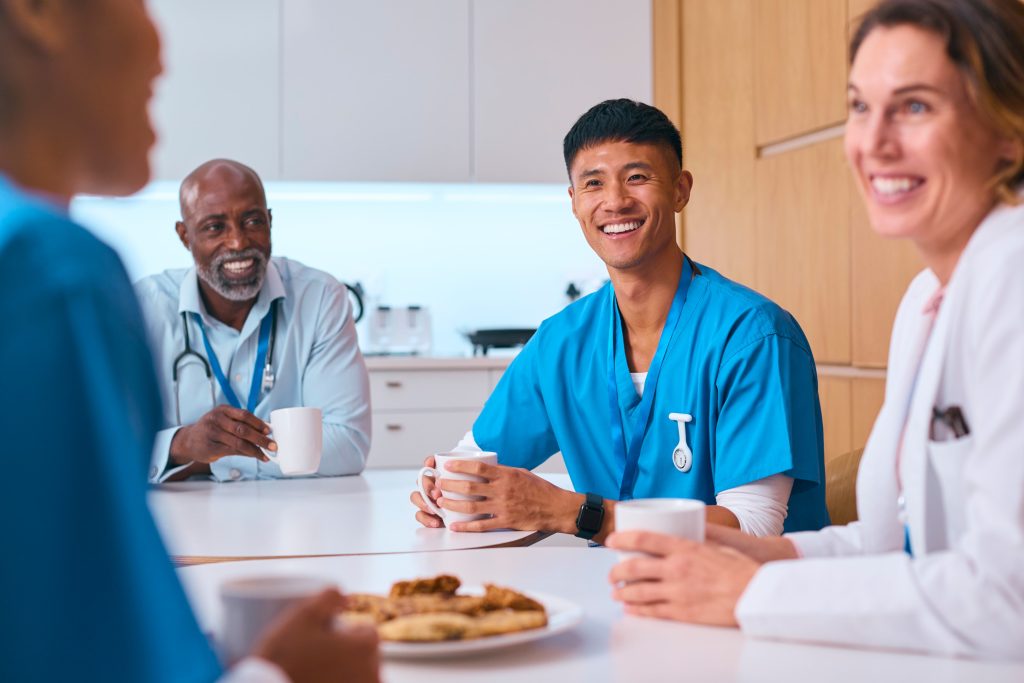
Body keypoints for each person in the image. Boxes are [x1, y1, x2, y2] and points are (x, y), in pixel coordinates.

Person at [607, 0, 1024, 661]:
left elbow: (1009, 596)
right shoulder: (928, 298)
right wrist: (763, 554)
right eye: (861, 106)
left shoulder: (1013, 275)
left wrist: (749, 594)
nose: (873, 141)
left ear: (1010, 130)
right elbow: (897, 546)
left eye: (914, 107)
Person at [0, 1, 378, 681]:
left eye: (252, 220)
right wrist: (278, 673)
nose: (161, 41)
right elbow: (86, 649)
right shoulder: (48, 273)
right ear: (39, 13)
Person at [412, 99, 831, 541]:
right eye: (593, 183)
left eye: (637, 177)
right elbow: (471, 461)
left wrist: (574, 513)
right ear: (574, 203)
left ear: (680, 190)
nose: (615, 201)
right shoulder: (562, 341)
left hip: (751, 597)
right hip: (623, 585)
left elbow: (755, 526)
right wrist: (443, 489)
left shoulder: (753, 337)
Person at [137, 159, 371, 483]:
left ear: (270, 221)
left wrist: (203, 459)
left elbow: (348, 445)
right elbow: (112, 444)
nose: (238, 242)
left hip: (296, 518)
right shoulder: (145, 308)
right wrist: (185, 443)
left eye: (252, 221)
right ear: (184, 236)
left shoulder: (319, 298)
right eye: (215, 227)